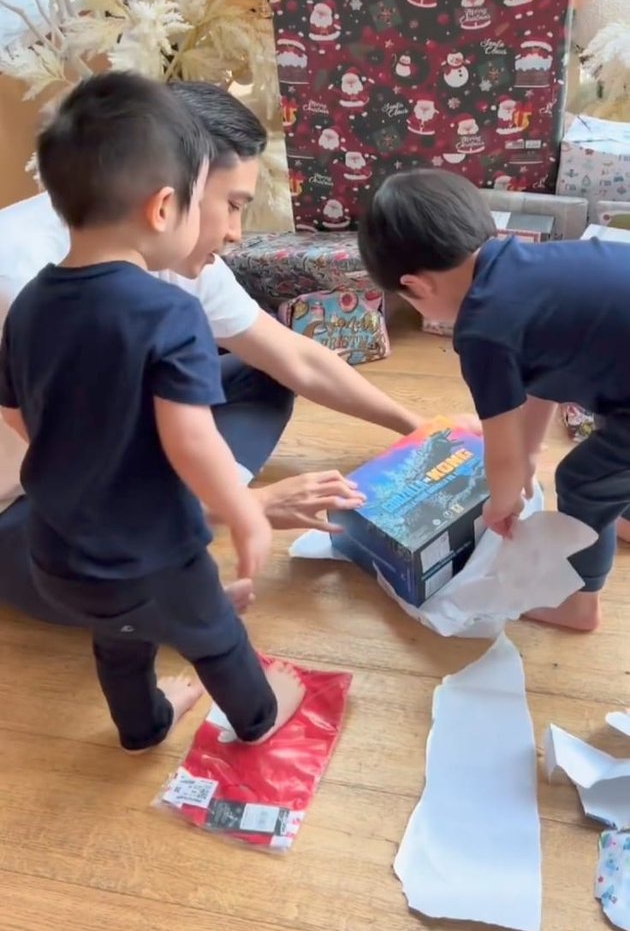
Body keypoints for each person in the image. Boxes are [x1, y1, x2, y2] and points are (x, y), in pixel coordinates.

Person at [0, 80, 477, 626]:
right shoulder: (30, 286)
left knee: (262, 374)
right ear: (172, 186)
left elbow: (292, 357)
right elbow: (94, 481)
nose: (234, 233)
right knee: (150, 600)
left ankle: (191, 506)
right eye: (230, 206)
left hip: (103, 456)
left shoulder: (158, 240)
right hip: (34, 505)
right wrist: (248, 506)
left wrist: (421, 429)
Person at [0, 72, 306, 750]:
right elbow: (191, 439)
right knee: (218, 633)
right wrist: (246, 507)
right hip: (149, 552)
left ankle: (142, 728)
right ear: (164, 207)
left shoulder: (27, 306)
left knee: (118, 640)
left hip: (57, 553)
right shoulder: (169, 312)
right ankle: (258, 716)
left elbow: (20, 416)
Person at [358, 167, 630, 634]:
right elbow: (546, 375)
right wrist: (529, 452)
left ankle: (577, 604)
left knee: (582, 481)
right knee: (612, 459)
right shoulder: (524, 265)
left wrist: (501, 504)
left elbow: (499, 451)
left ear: (417, 287)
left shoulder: (484, 331)